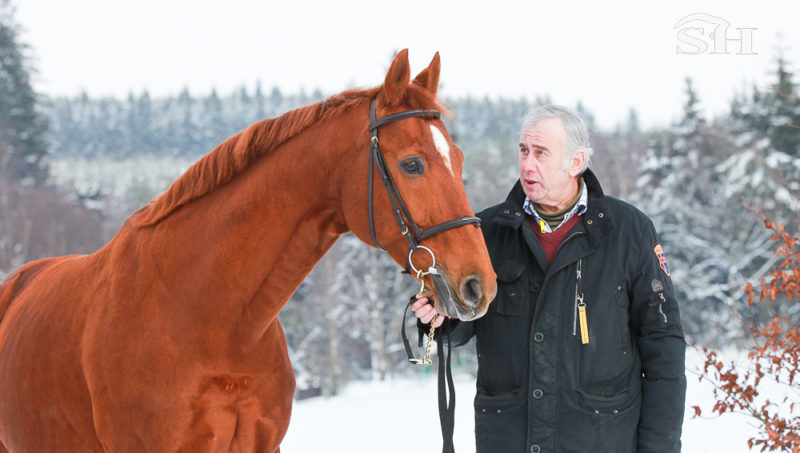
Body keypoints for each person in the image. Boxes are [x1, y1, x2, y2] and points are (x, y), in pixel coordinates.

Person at [412, 105, 686, 453]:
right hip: (509, 439)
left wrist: (660, 447)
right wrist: (442, 316)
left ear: (576, 162)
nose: (527, 165)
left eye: (540, 153)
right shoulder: (488, 233)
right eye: (523, 151)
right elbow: (463, 325)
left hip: (604, 440)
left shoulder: (629, 231)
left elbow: (664, 347)